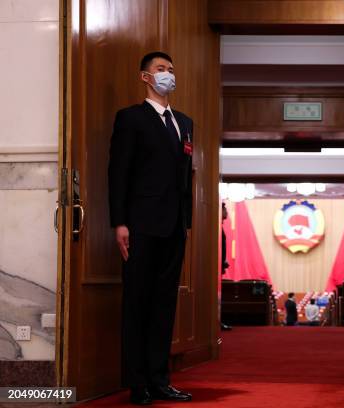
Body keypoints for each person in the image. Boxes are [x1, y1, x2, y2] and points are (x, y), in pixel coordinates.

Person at [108, 51, 193, 405]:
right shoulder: (131, 118)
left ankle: (160, 379)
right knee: (137, 303)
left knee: (163, 306)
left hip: (174, 226)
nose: (167, 75)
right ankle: (137, 384)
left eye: (171, 70)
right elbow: (119, 172)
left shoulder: (185, 121)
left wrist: (185, 221)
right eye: (161, 70)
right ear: (145, 77)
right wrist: (120, 222)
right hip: (141, 225)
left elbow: (185, 175)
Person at [220, 203, 232, 331]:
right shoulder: (216, 226)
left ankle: (218, 320)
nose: (226, 212)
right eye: (225, 209)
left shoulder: (220, 227)